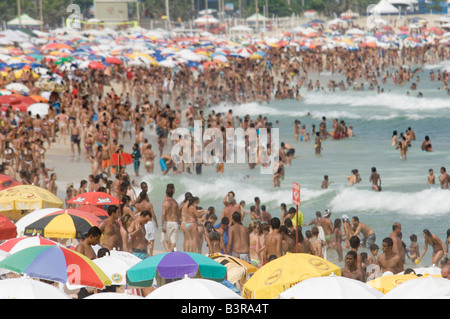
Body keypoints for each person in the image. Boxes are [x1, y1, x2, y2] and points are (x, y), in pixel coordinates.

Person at [161, 183, 180, 252]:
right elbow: (178, 214)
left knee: (164, 239)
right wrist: (179, 222)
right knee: (173, 241)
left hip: (168, 223)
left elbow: (163, 214)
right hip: (175, 223)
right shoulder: (175, 203)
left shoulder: (165, 203)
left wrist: (162, 225)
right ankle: (170, 252)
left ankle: (168, 252)